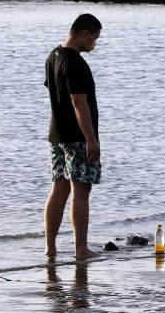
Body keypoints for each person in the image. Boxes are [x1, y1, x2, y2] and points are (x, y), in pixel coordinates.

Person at [43, 14, 103, 261]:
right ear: (85, 33)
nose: (94, 45)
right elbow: (79, 103)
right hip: (77, 136)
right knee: (81, 190)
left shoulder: (53, 56)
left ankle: (50, 247)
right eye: (94, 38)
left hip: (57, 134)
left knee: (59, 188)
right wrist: (91, 138)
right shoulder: (76, 63)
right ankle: (81, 249)